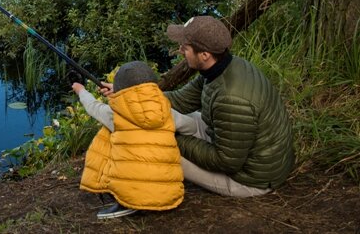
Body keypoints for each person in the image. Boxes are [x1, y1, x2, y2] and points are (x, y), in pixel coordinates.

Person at [98, 15, 295, 198]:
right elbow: (179, 100)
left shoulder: (230, 98)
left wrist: (172, 139)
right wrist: (127, 93)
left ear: (205, 54)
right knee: (169, 121)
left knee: (155, 146)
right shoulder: (223, 68)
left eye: (185, 47)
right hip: (246, 149)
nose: (180, 50)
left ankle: (134, 195)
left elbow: (226, 161)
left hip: (251, 179)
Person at [72, 61, 184, 220]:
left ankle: (127, 203)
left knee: (107, 134)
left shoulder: (116, 116)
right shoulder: (165, 110)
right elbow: (189, 125)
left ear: (123, 89)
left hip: (133, 195)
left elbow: (93, 107)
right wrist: (120, 94)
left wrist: (81, 91)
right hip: (169, 194)